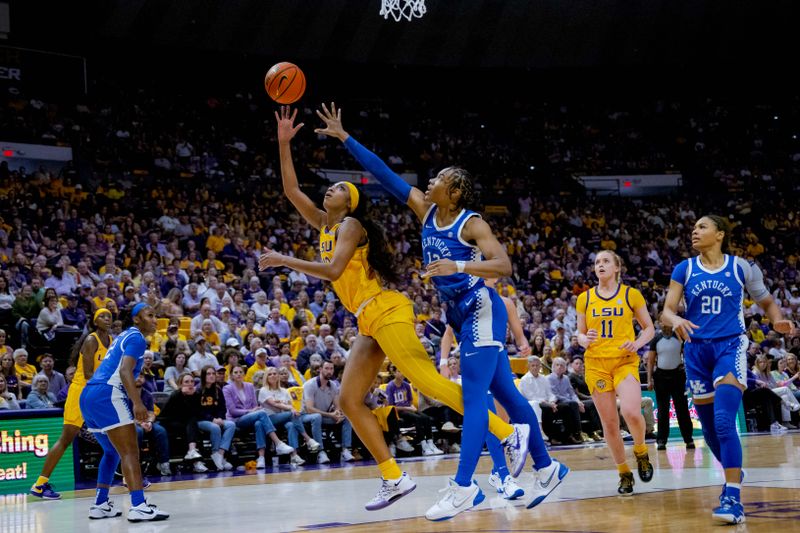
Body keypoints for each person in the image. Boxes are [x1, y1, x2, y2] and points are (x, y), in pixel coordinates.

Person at [258, 106, 530, 512]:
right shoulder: (326, 225)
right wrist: (283, 144)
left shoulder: (351, 227)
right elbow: (291, 190)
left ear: (350, 204)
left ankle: (507, 433)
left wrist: (285, 260)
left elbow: (333, 270)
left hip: (387, 311)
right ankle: (393, 476)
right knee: (349, 401)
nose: (330, 190)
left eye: (339, 190)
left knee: (427, 383)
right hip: (368, 319)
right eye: (331, 189)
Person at [315, 103, 566, 519]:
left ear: (455, 192)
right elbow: (384, 174)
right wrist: (344, 137)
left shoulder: (472, 224)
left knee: (471, 396)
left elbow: (503, 266)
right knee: (505, 395)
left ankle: (463, 486)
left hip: (481, 309)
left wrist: (459, 265)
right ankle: (547, 467)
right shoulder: (424, 209)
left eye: (440, 179)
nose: (429, 181)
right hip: (458, 314)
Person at [662, 215, 796, 525]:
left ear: (720, 234)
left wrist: (777, 318)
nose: (695, 231)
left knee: (724, 422)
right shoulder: (685, 268)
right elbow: (667, 311)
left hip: (729, 346)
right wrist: (675, 319)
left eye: (702, 227)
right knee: (709, 431)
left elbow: (764, 299)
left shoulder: (740, 267)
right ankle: (734, 471)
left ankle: (733, 498)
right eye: (694, 228)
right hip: (695, 351)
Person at [77, 303, 169, 521]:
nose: (155, 320)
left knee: (112, 452)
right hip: (108, 393)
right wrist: (138, 404)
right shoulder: (136, 338)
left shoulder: (124, 336)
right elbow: (125, 370)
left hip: (89, 396)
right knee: (130, 452)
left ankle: (100, 504)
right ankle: (138, 505)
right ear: (136, 319)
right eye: (150, 315)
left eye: (156, 316)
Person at [576, 250, 655, 496]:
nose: (600, 265)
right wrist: (584, 339)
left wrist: (638, 343)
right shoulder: (585, 298)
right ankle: (624, 473)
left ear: (617, 268)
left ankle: (641, 451)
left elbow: (649, 328)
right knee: (609, 424)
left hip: (624, 360)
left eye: (605, 261)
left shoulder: (631, 294)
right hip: (596, 364)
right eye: (597, 262)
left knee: (631, 411)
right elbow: (579, 334)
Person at [30, 309, 113, 500]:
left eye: (109, 316)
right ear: (94, 321)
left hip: (95, 391)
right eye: (102, 316)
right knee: (66, 439)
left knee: (116, 434)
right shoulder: (92, 340)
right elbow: (88, 375)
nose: (107, 319)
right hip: (82, 391)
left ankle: (129, 477)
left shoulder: (111, 341)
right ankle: (40, 484)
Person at [224, 364, 295, 468]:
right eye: (236, 372)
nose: (239, 374)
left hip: (252, 417)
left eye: (241, 372)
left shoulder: (249, 386)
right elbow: (232, 411)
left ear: (244, 374)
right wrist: (250, 411)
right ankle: (278, 443)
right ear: (231, 375)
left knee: (259, 423)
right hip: (237, 420)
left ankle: (261, 458)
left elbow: (254, 405)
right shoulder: (227, 388)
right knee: (262, 413)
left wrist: (254, 410)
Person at [646, 324, 695, 450]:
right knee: (662, 410)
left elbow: (688, 355)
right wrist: (649, 379)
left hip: (678, 376)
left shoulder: (679, 337)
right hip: (661, 377)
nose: (665, 325)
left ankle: (688, 439)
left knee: (682, 409)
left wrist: (688, 371)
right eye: (663, 323)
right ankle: (662, 441)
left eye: (667, 323)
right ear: (661, 325)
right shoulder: (656, 339)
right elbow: (651, 361)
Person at [259, 366, 321, 466]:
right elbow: (275, 404)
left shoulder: (284, 391)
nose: (273, 376)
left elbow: (289, 405)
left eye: (275, 373)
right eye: (270, 374)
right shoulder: (264, 390)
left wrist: (289, 407)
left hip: (283, 417)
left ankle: (294, 456)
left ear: (278, 376)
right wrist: (289, 407)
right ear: (266, 377)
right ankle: (308, 438)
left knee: (292, 425)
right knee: (292, 414)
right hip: (270, 419)